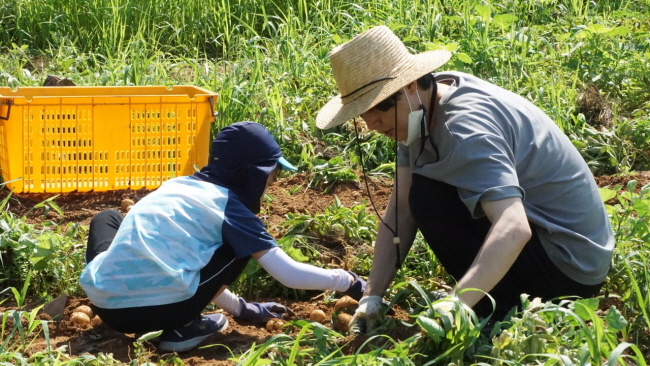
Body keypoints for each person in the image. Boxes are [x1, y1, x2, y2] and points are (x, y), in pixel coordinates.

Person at [315, 26, 614, 331]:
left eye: (379, 107)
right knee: (420, 194)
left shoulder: (464, 129)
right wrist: (372, 295)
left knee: (430, 197)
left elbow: (514, 227)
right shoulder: (421, 110)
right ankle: (486, 296)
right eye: (362, 114)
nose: (372, 123)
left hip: (568, 269)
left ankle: (497, 311)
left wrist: (456, 303)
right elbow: (401, 210)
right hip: (551, 248)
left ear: (409, 87)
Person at [79, 121, 365, 352]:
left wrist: (241, 308)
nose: (271, 186)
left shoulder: (176, 185)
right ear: (255, 174)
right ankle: (183, 329)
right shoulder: (229, 207)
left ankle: (120, 287)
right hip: (160, 312)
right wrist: (347, 281)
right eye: (272, 177)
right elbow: (287, 274)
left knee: (108, 218)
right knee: (242, 242)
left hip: (106, 308)